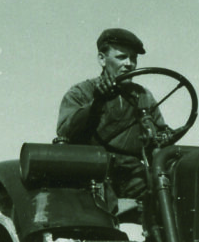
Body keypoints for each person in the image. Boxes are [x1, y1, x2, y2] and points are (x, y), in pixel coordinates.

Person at [56, 28, 168, 199]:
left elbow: (160, 136)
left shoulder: (143, 96)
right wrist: (96, 104)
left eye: (133, 58)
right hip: (93, 174)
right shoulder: (82, 92)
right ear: (102, 59)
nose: (129, 64)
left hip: (134, 176)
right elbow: (65, 131)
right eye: (122, 57)